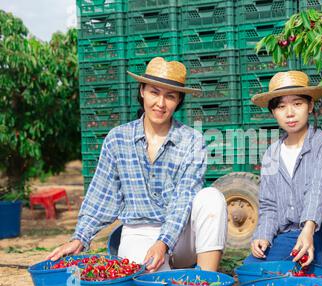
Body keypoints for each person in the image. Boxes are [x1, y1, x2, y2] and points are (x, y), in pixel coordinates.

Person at [46, 57, 228, 272]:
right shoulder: (118, 139)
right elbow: (101, 197)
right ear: (142, 91)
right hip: (139, 232)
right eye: (154, 92)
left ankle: (204, 285)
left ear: (178, 100)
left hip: (182, 234)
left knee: (212, 197)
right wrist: (79, 238)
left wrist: (163, 242)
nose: (160, 103)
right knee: (156, 283)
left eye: (170, 96)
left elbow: (184, 198)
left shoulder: (192, 140)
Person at [244, 70, 322, 273]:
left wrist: (308, 230)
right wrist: (262, 235)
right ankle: (302, 270)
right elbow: (269, 205)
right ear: (273, 112)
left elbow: (320, 189)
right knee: (252, 270)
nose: (290, 113)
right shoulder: (271, 153)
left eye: (297, 104)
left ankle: (319, 279)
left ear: (310, 106)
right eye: (281, 106)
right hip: (292, 236)